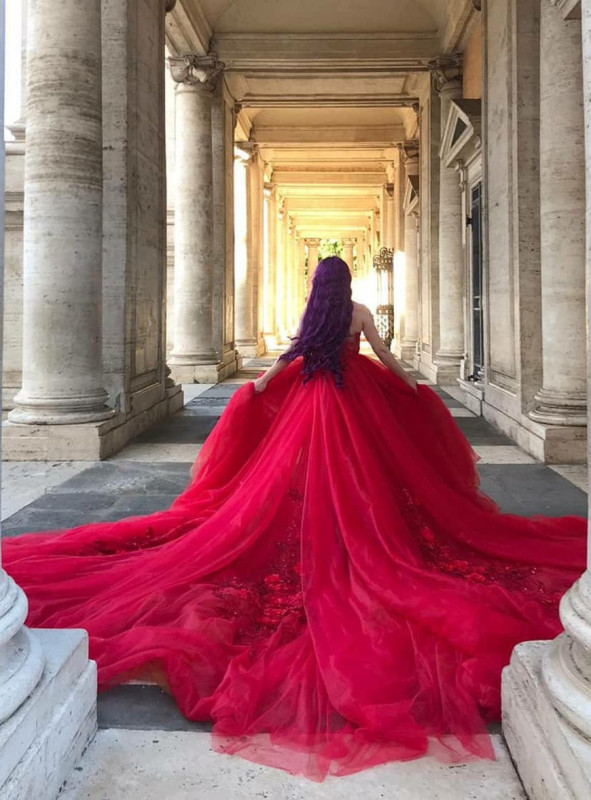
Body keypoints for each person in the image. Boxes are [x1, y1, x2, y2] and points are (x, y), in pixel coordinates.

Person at [2, 256, 586, 781]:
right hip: (357, 403)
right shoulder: (358, 312)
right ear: (348, 284)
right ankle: (359, 531)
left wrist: (255, 388)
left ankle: (315, 526)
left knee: (300, 477)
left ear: (317, 286)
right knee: (368, 480)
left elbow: (292, 358)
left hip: (314, 400)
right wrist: (414, 387)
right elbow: (383, 357)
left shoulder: (317, 314)